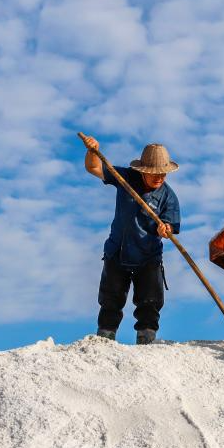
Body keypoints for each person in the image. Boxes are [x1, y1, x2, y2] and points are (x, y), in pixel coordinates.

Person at [82, 136, 181, 345]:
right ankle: (105, 342)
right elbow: (94, 168)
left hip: (148, 257)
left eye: (163, 173)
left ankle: (146, 341)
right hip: (117, 252)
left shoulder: (168, 197)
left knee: (150, 302)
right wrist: (92, 151)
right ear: (142, 170)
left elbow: (170, 227)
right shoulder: (125, 177)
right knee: (110, 300)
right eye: (154, 173)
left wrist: (166, 229)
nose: (159, 178)